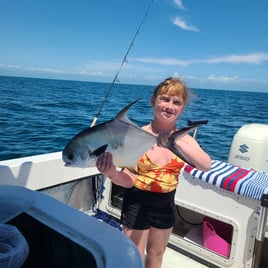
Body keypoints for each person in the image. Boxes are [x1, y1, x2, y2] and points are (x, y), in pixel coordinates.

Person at [96, 77, 211, 268]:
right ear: (153, 102)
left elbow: (205, 165)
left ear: (182, 109)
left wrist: (174, 140)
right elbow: (130, 179)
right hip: (137, 202)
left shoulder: (186, 140)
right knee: (134, 253)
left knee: (157, 253)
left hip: (165, 204)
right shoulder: (136, 136)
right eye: (164, 99)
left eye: (176, 102)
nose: (169, 106)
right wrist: (112, 174)